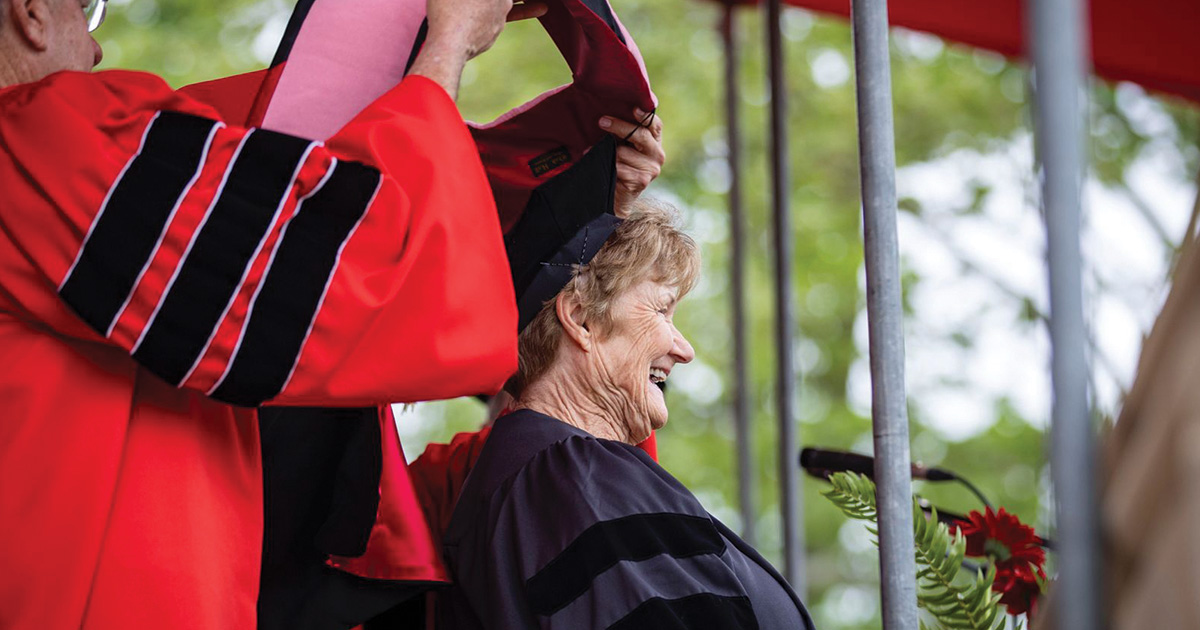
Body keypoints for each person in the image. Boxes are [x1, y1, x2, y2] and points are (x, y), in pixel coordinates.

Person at [0, 0, 543, 626]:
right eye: (88, 11)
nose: (98, 51)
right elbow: (363, 270)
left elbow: (276, 183)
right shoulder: (36, 134)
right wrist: (448, 44)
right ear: (33, 11)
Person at [437, 201, 816, 629]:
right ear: (580, 318)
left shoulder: (548, 476)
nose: (684, 349)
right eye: (661, 310)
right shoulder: (569, 475)